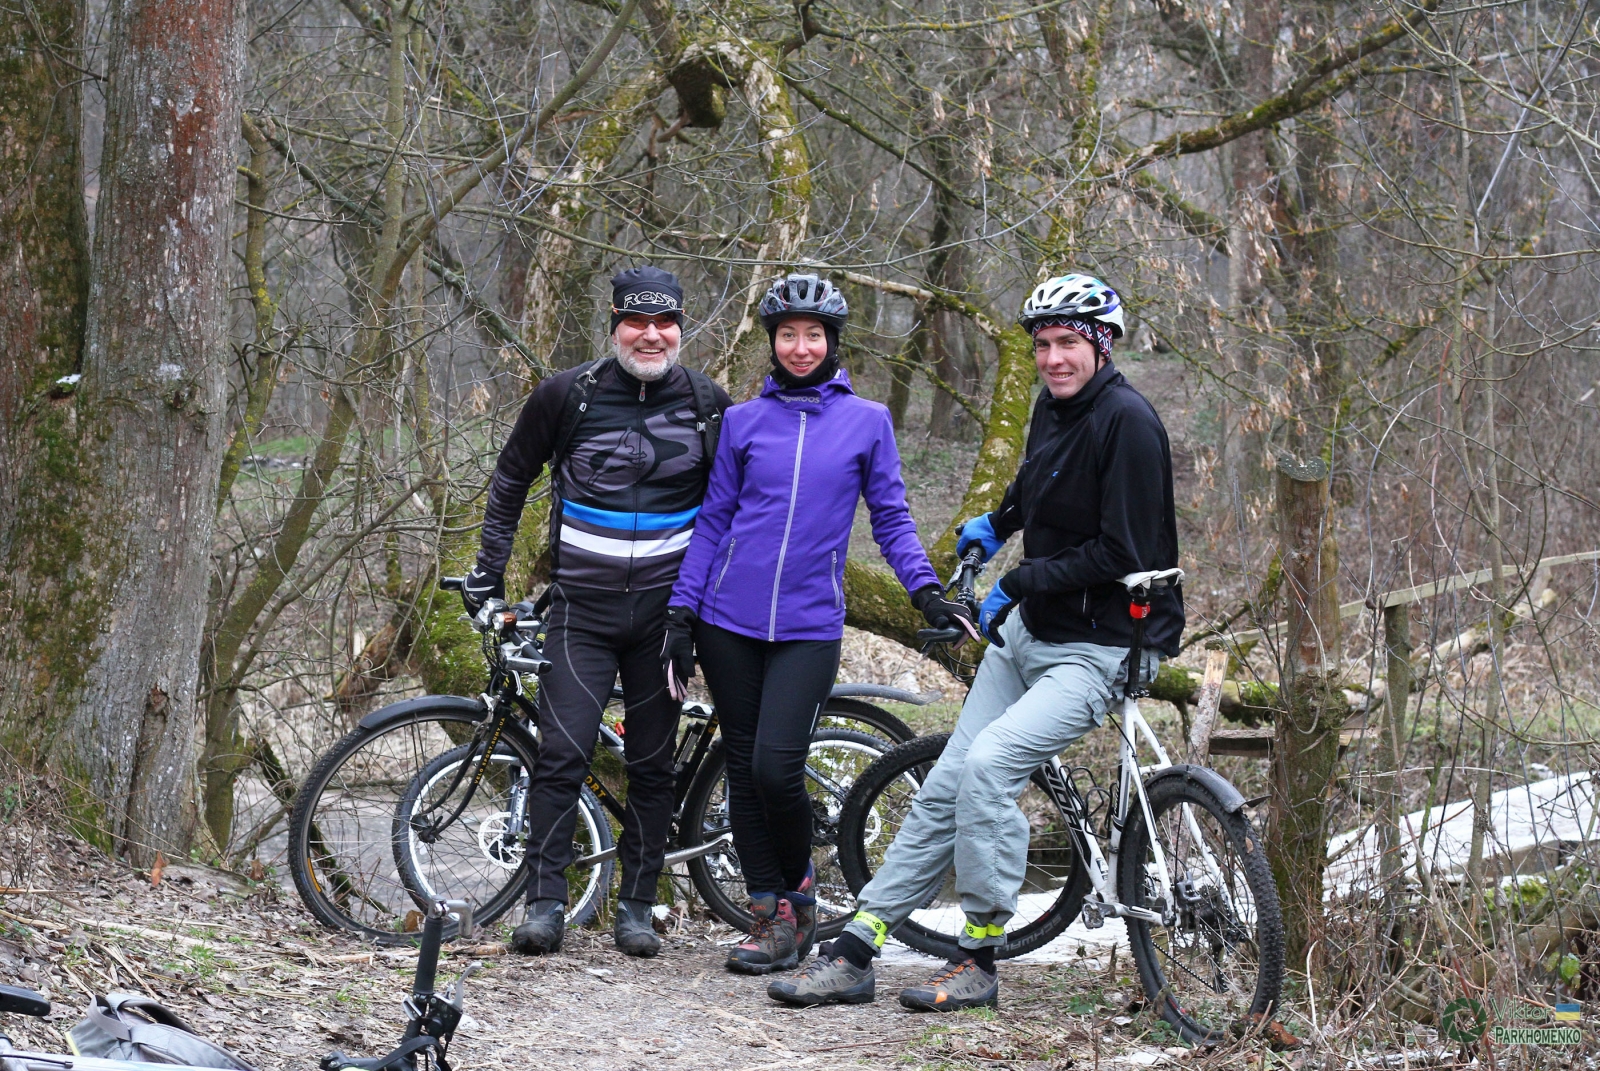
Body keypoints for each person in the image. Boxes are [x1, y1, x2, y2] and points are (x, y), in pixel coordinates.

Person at [768, 273, 1184, 1010]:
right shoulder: (1053, 407)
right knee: (947, 784)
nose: (1053, 358)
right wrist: (1000, 521)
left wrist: (1018, 580)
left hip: (1101, 645)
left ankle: (980, 956)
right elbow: (1039, 485)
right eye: (1043, 345)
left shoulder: (1130, 425)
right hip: (1034, 633)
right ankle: (856, 950)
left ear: (1102, 345)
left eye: (1068, 343)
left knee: (989, 767)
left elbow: (1122, 552)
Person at [663, 273, 977, 976]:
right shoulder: (743, 421)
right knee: (743, 769)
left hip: (809, 625)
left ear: (833, 342)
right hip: (727, 619)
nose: (800, 346)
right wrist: (682, 610)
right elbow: (713, 522)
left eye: (813, 335)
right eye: (787, 334)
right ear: (772, 341)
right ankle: (769, 916)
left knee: (776, 766)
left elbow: (891, 518)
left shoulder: (868, 421)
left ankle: (800, 892)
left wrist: (926, 592)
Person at [460, 265, 732, 958]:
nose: (650, 334)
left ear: (680, 328)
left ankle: (636, 906)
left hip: (665, 622)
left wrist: (714, 604)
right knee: (561, 755)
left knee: (652, 766)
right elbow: (511, 476)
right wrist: (489, 571)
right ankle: (545, 904)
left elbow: (732, 509)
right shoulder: (567, 395)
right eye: (636, 321)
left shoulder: (709, 403)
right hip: (580, 611)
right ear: (614, 324)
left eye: (664, 322)